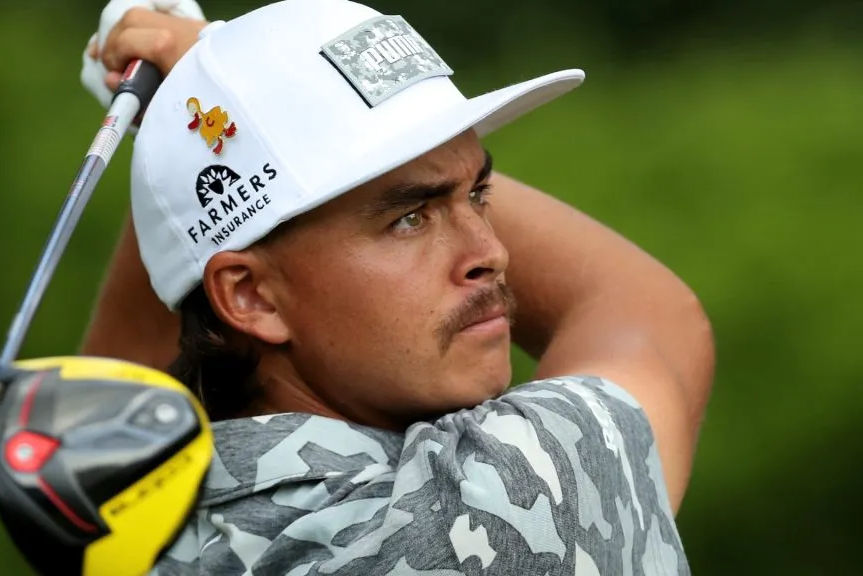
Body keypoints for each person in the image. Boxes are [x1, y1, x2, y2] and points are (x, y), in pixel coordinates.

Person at [79, 0, 715, 574]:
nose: (492, 253)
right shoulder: (502, 505)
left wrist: (192, 137)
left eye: (478, 195)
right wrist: (209, 78)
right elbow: (650, 315)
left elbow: (105, 417)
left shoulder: (108, 515)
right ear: (251, 296)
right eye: (410, 216)